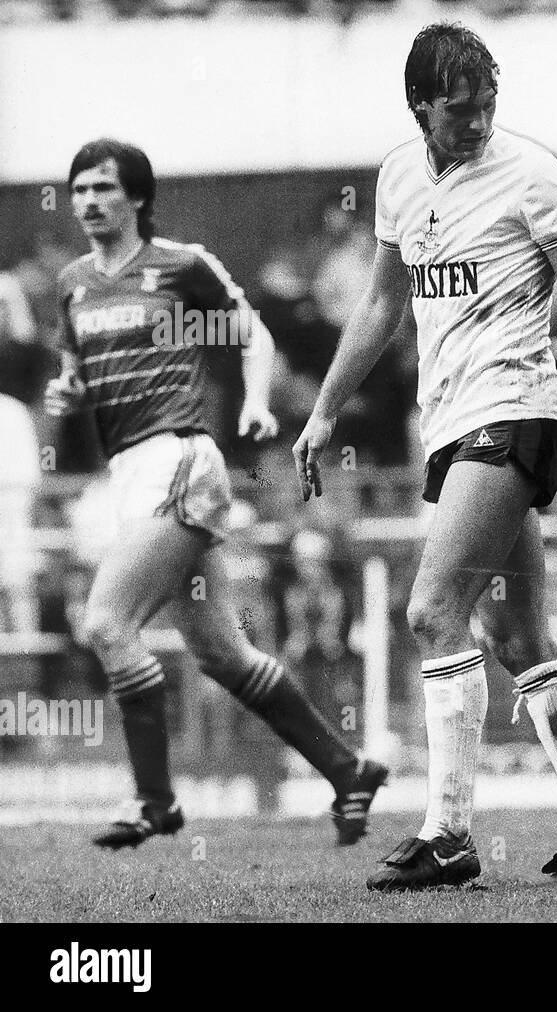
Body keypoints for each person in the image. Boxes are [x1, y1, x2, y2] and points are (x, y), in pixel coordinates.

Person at [293, 23, 557, 891]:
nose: (480, 119)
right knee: (516, 632)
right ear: (421, 105)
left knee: (430, 611)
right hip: (452, 427)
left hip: (518, 414)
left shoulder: (533, 175)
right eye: (462, 108)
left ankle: (447, 832)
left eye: (491, 100)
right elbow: (382, 305)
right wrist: (325, 409)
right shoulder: (398, 179)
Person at [45, 138, 386, 850]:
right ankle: (347, 769)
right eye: (79, 191)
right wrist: (70, 388)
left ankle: (156, 801)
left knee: (107, 623)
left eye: (103, 188)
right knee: (222, 654)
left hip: (183, 462)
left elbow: (251, 333)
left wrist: (257, 402)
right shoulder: (75, 283)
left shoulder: (181, 265)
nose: (89, 202)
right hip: (130, 476)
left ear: (137, 197)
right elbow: (79, 367)